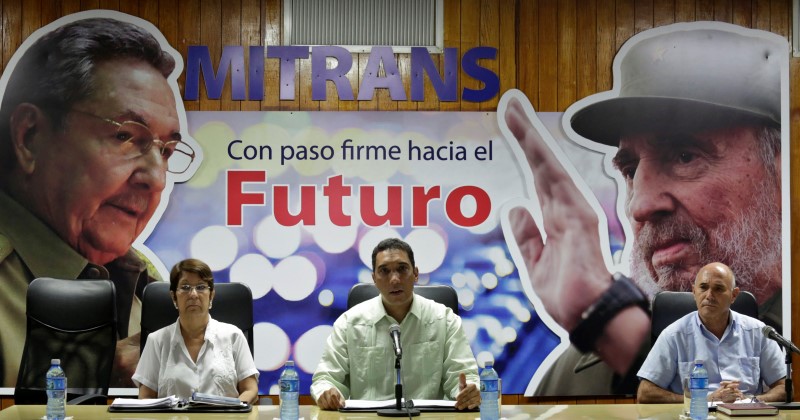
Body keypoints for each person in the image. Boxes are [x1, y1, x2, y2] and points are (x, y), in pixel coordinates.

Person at [500, 22, 785, 395]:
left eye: (685, 156)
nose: (641, 204)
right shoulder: (578, 374)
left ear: (781, 170)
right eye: (631, 170)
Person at [0, 13, 196, 387]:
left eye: (167, 152)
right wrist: (89, 390)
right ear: (29, 136)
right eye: (126, 136)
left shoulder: (147, 290)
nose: (156, 180)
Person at [311, 237, 481, 410]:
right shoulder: (349, 323)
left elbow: (463, 376)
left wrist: (466, 391)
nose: (394, 279)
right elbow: (325, 378)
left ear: (415, 274)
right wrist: (327, 391)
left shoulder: (445, 320)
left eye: (402, 269)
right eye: (384, 271)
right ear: (374, 279)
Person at [637, 262, 785, 403]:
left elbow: (784, 387)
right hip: (696, 414)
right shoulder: (673, 335)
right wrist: (703, 400)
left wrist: (750, 401)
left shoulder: (758, 332)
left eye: (718, 288)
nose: (709, 295)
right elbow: (645, 392)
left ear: (734, 295)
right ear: (694, 292)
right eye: (703, 287)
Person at [132, 259, 259, 403]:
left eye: (200, 287)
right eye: (185, 287)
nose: (193, 294)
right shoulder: (157, 340)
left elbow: (250, 390)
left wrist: (232, 411)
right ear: (174, 296)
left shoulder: (233, 336)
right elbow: (146, 396)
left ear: (211, 295)